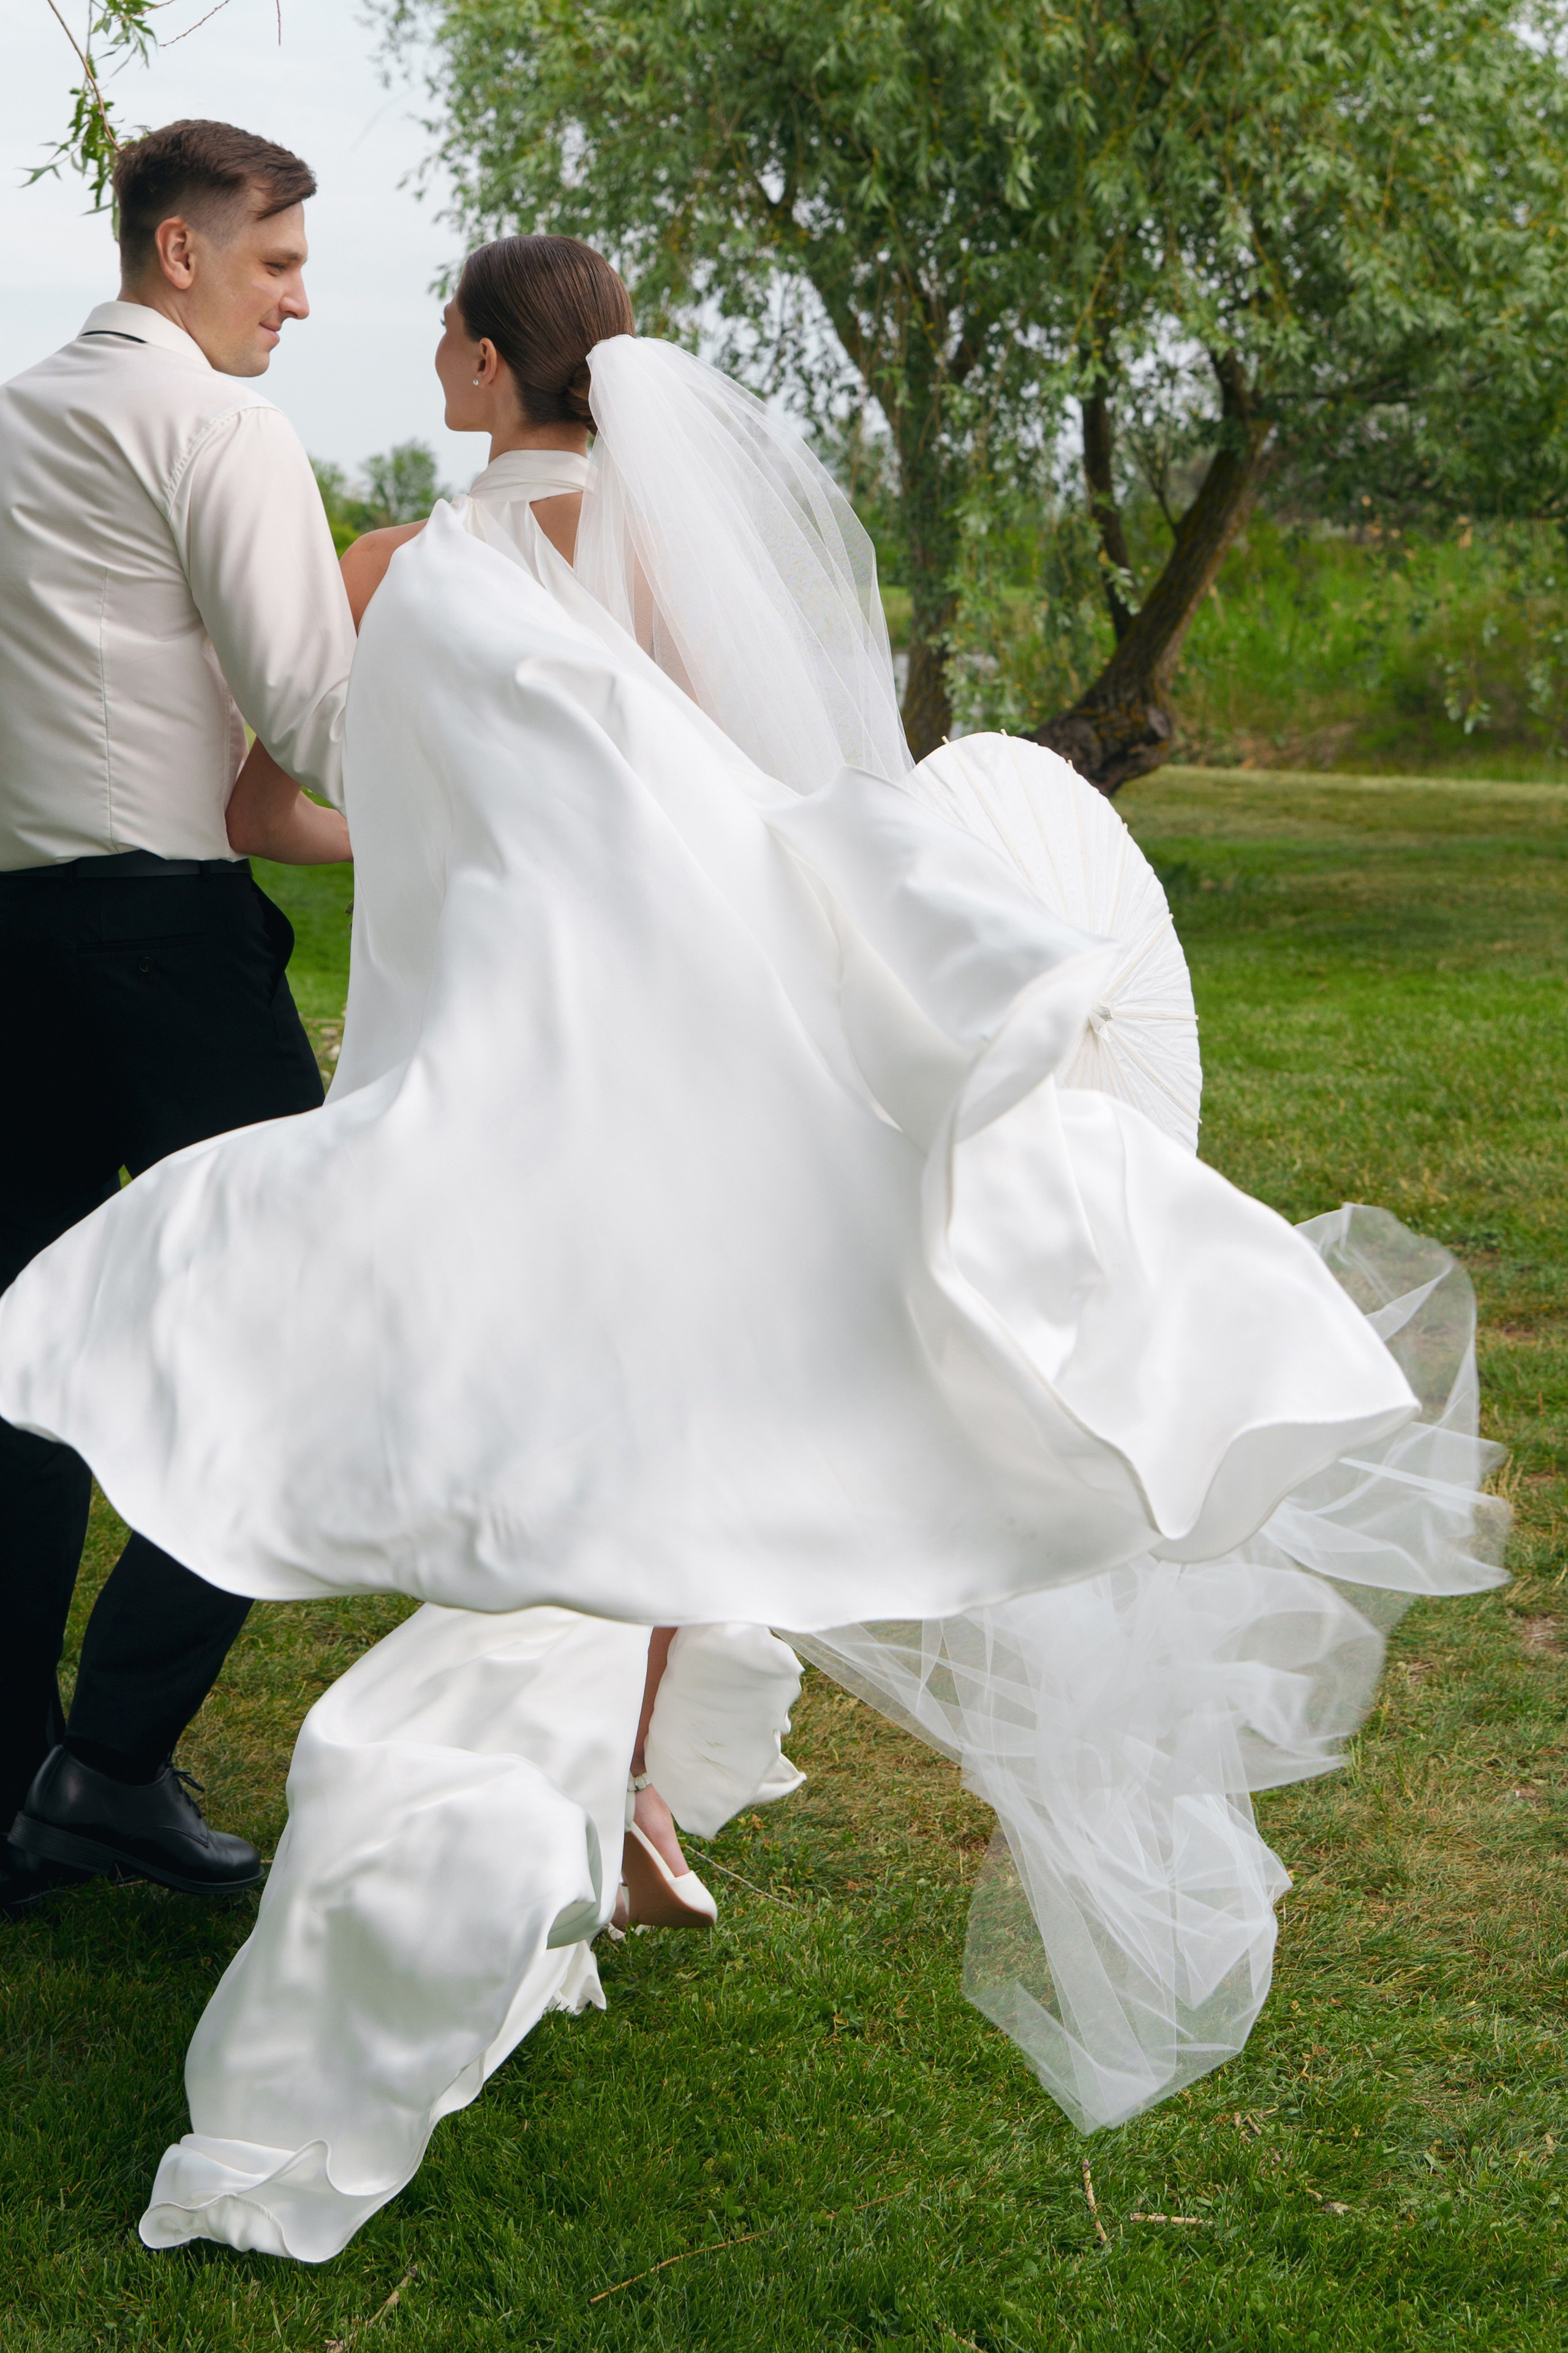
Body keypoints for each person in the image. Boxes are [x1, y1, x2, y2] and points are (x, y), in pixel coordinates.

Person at [0, 238, 1506, 2260]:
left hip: (515, 1080)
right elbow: (761, 803)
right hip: (659, 1075)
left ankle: (499, 1856)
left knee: (523, 1435)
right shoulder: (649, 558)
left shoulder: (397, 568)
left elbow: (284, 807)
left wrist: (442, 825)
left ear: (471, 355)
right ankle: (613, 1810)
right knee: (657, 1429)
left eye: (429, 327)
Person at [0, 119, 355, 1918]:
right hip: (165, 941)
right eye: (278, 263)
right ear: (179, 255)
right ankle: (109, 1769)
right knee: (291, 1340)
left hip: (10, 939)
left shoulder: (6, 422)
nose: (301, 302)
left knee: (22, 1363)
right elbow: (307, 698)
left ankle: (6, 1794)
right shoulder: (217, 426)